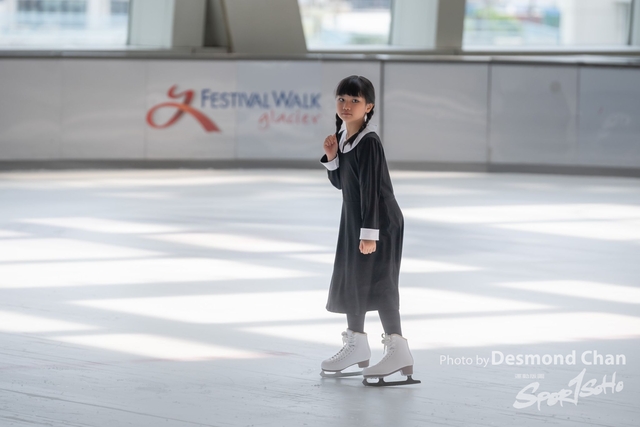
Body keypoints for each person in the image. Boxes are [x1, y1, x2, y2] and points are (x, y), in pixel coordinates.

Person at [319, 75, 418, 386]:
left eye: (355, 100)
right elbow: (344, 185)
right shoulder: (345, 138)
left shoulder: (369, 142)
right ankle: (357, 344)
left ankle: (398, 349)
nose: (346, 106)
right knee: (354, 278)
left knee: (381, 282)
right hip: (356, 218)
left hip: (379, 222)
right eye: (342, 99)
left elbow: (372, 190)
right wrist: (332, 158)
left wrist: (369, 234)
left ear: (369, 106)